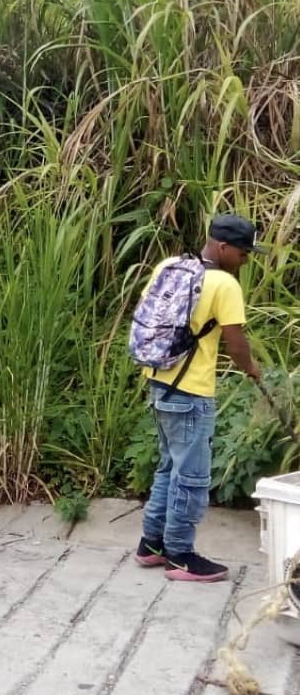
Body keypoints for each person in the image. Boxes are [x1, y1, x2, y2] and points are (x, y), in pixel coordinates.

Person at [134, 214, 264, 582]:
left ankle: (152, 545)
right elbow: (235, 343)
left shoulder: (171, 265)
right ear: (223, 247)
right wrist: (251, 368)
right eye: (243, 253)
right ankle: (180, 555)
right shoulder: (223, 284)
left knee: (167, 469)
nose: (245, 260)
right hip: (192, 393)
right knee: (190, 477)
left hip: (160, 383)